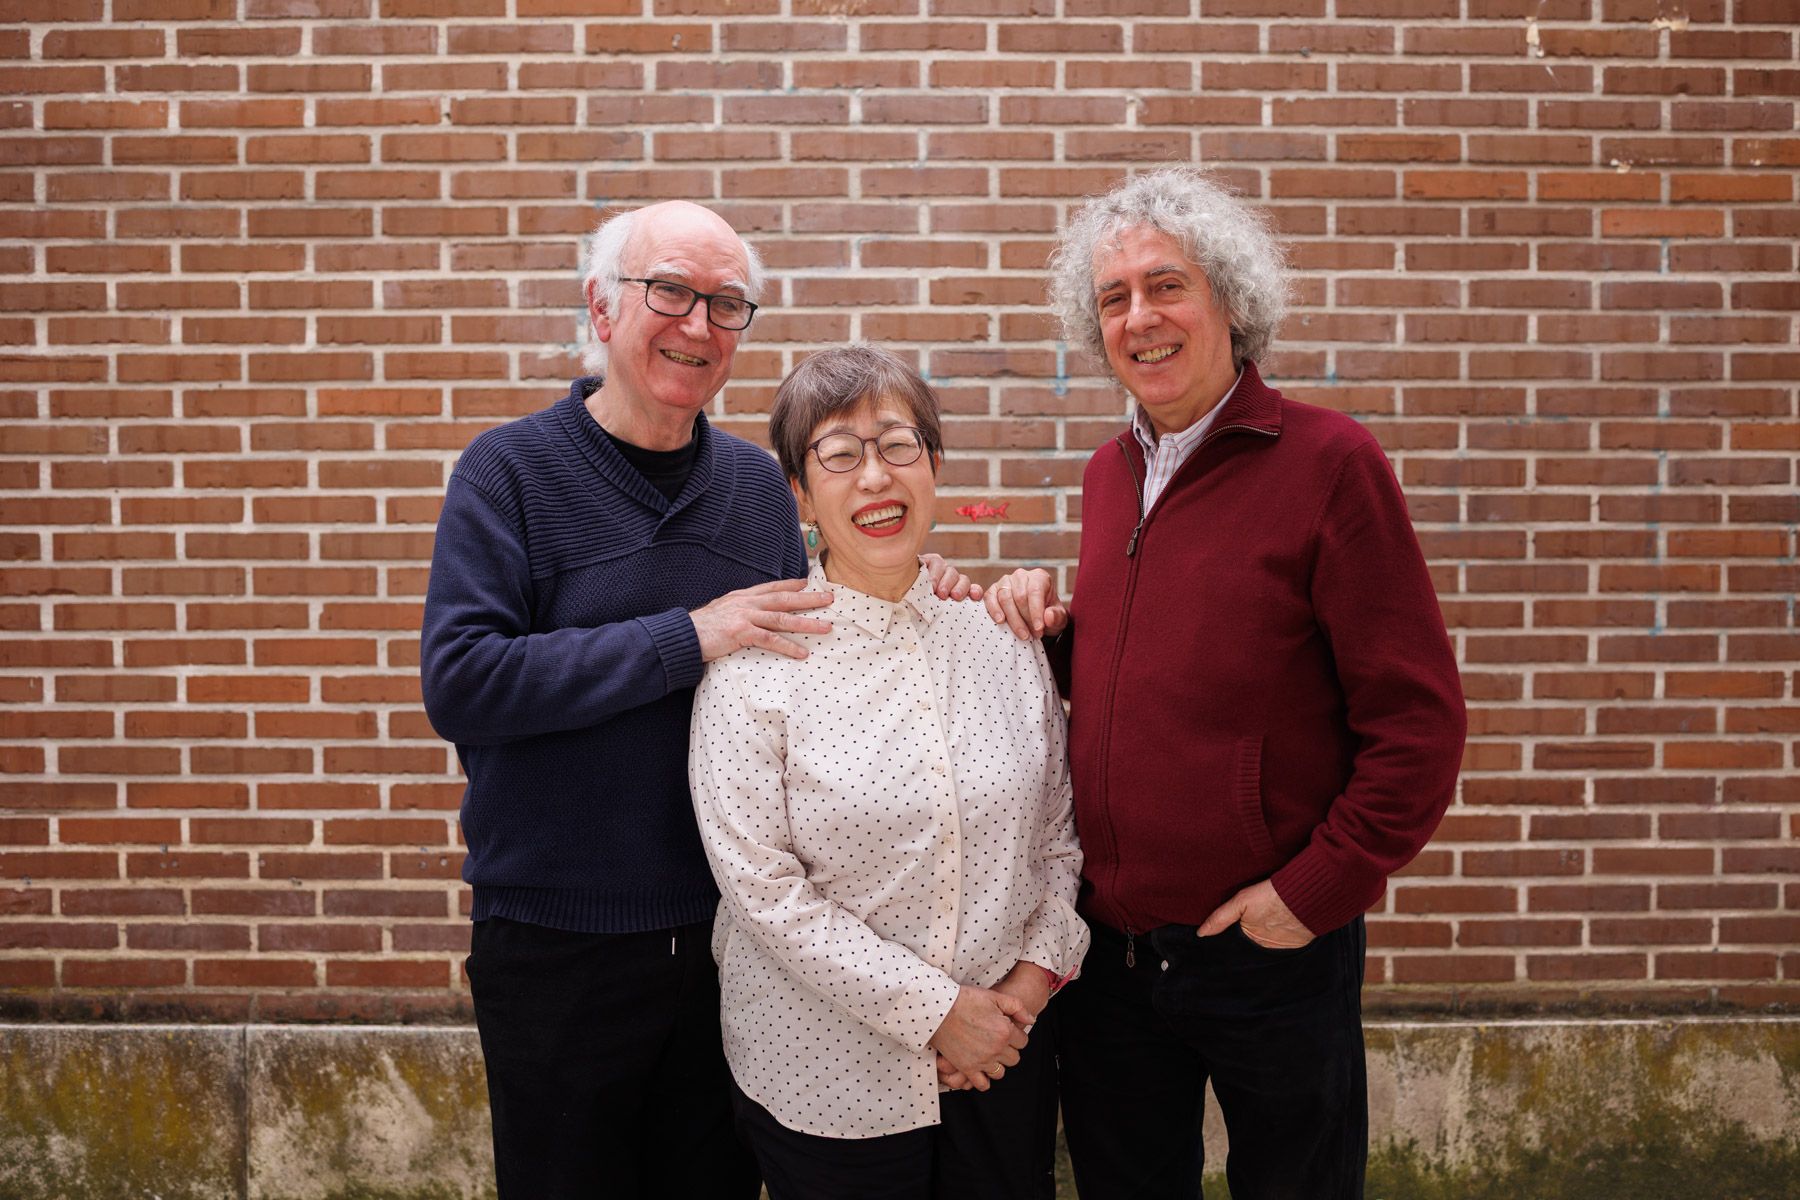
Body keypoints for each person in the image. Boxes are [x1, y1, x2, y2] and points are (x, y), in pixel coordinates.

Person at [419, 203, 975, 1199]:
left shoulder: (758, 487)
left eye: (727, 304)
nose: (698, 324)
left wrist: (941, 589)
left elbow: (826, 630)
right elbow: (464, 680)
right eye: (669, 290)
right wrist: (689, 637)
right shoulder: (507, 473)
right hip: (559, 947)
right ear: (601, 306)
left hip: (730, 948)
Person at [986, 168, 1467, 1199]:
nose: (1141, 318)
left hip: (1267, 949)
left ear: (1231, 305)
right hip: (1111, 955)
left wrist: (1314, 893)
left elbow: (1418, 724)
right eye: (1114, 299)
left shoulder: (1332, 464)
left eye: (1168, 287)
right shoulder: (1109, 474)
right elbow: (1160, 668)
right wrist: (1050, 631)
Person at [688, 344, 1089, 1200]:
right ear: (799, 492)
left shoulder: (1001, 641)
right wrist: (941, 1014)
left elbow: (1058, 841)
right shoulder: (756, 671)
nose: (874, 476)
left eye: (898, 445)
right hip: (828, 1079)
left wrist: (1020, 997)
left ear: (935, 466)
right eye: (838, 454)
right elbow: (765, 893)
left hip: (1007, 1058)